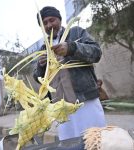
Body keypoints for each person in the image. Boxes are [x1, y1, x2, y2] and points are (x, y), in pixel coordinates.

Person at [33, 6, 106, 140]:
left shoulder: (76, 33)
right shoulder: (43, 48)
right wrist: (41, 66)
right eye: (44, 23)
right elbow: (39, 78)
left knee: (95, 141)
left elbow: (96, 53)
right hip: (61, 108)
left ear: (59, 20)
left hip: (86, 101)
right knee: (69, 143)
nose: (49, 25)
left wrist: (72, 48)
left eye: (52, 20)